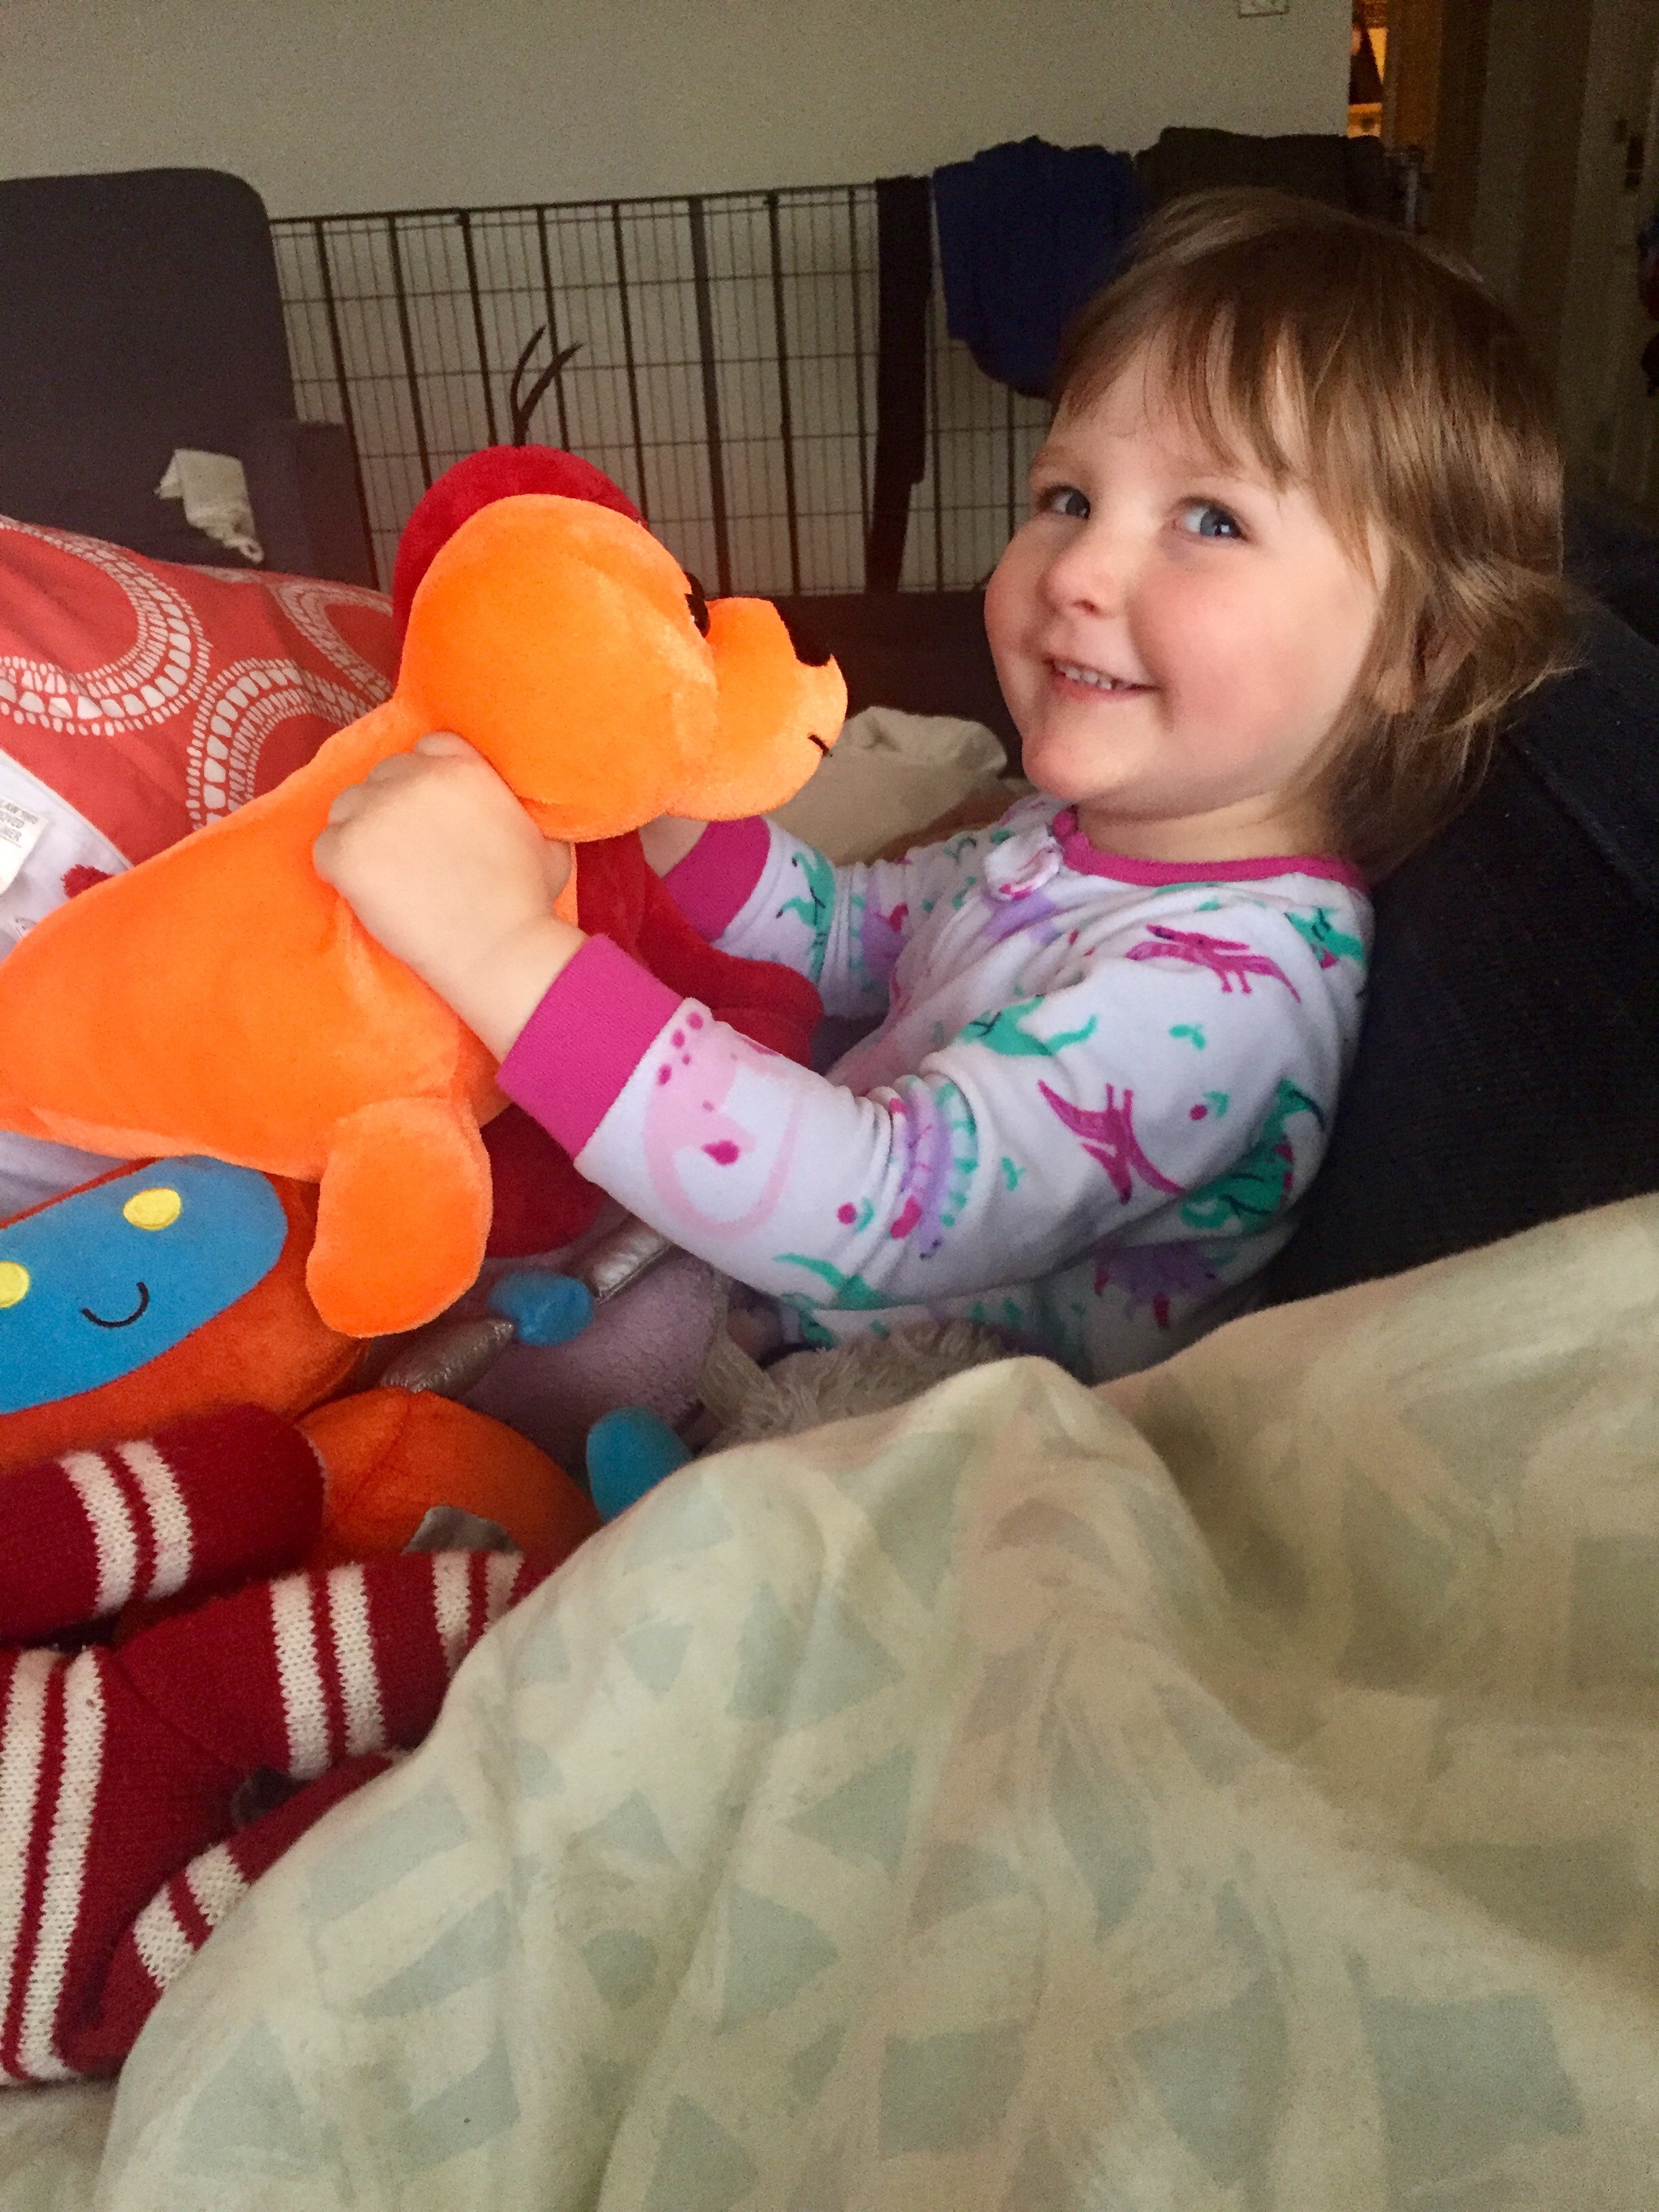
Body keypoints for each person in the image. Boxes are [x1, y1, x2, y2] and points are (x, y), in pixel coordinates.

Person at [313, 190, 1578, 1384]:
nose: (1078, 569)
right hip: (753, 1303)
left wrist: (501, 949)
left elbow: (874, 1206)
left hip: (885, 1414)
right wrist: (660, 805)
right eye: (1069, 497)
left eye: (1211, 520)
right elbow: (840, 932)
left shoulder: (1230, 995)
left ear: (1417, 652)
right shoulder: (1062, 844)